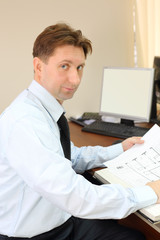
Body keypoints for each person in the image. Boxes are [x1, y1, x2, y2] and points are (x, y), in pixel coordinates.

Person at [0, 23, 160, 240]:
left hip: (62, 218)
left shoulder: (42, 108)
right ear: (39, 66)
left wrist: (121, 149)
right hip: (38, 235)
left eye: (80, 67)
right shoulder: (26, 122)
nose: (75, 79)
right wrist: (151, 192)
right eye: (64, 66)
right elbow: (75, 196)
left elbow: (70, 157)